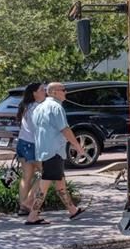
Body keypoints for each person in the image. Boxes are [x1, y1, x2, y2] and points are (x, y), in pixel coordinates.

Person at [23, 82, 86, 225]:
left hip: (44, 150)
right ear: (54, 92)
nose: (65, 92)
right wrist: (77, 146)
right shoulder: (56, 107)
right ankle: (32, 215)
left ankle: (72, 210)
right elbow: (65, 129)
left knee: (59, 182)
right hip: (54, 150)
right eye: (63, 90)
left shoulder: (39, 107)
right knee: (44, 184)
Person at [14, 83, 46, 216]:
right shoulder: (37, 107)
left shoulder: (26, 106)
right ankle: (28, 202)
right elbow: (37, 129)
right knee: (48, 173)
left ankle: (23, 207)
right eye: (42, 90)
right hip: (32, 144)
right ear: (34, 93)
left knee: (26, 176)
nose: (45, 92)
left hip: (22, 142)